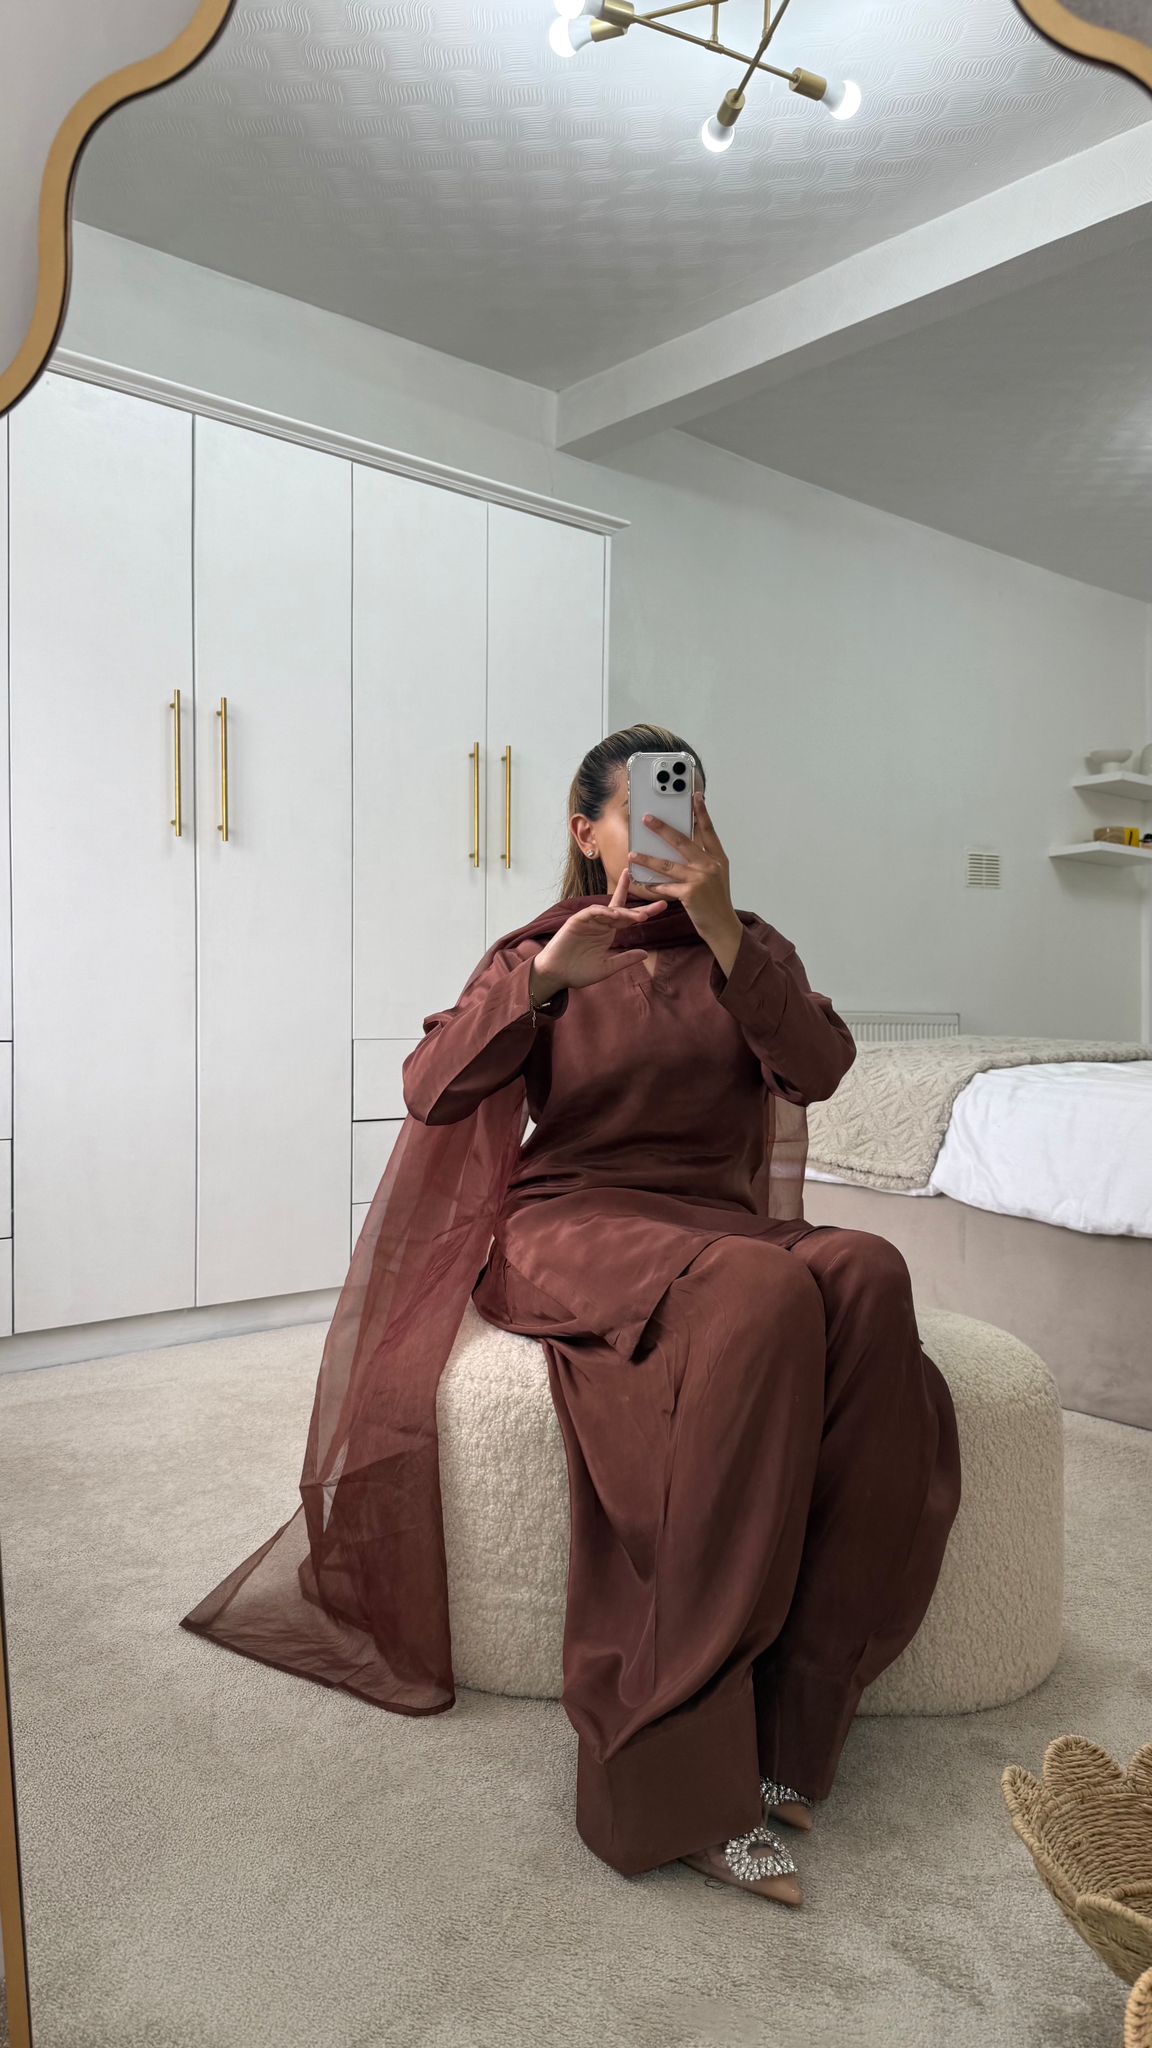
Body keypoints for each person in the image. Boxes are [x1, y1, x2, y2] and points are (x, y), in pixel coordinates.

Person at [399, 722, 962, 1905]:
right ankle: (675, 1767)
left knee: (867, 1272)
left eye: (692, 809)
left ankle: (791, 1734)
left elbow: (817, 1067)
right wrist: (545, 983)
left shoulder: (746, 947)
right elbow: (431, 1088)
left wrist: (721, 929)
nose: (675, 829)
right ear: (585, 829)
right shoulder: (543, 949)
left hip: (712, 1218)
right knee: (759, 1290)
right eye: (650, 809)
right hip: (572, 1224)